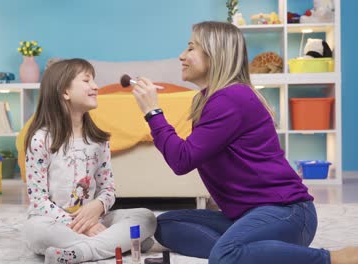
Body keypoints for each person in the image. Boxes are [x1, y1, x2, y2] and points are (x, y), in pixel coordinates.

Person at [131, 21, 358, 264]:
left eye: (191, 48)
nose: (181, 56)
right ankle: (257, 251)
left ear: (215, 54)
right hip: (245, 216)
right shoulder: (209, 99)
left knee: (224, 256)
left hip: (287, 213)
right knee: (164, 224)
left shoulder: (231, 98)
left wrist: (153, 113)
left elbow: (182, 159)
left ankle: (331, 259)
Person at [23, 58, 156, 264]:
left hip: (97, 219)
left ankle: (84, 252)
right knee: (36, 231)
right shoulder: (40, 140)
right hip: (54, 221)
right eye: (86, 81)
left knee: (146, 217)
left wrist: (98, 206)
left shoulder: (98, 140)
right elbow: (39, 201)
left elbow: (108, 190)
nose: (95, 86)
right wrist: (79, 223)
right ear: (64, 92)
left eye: (94, 81)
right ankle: (122, 243)